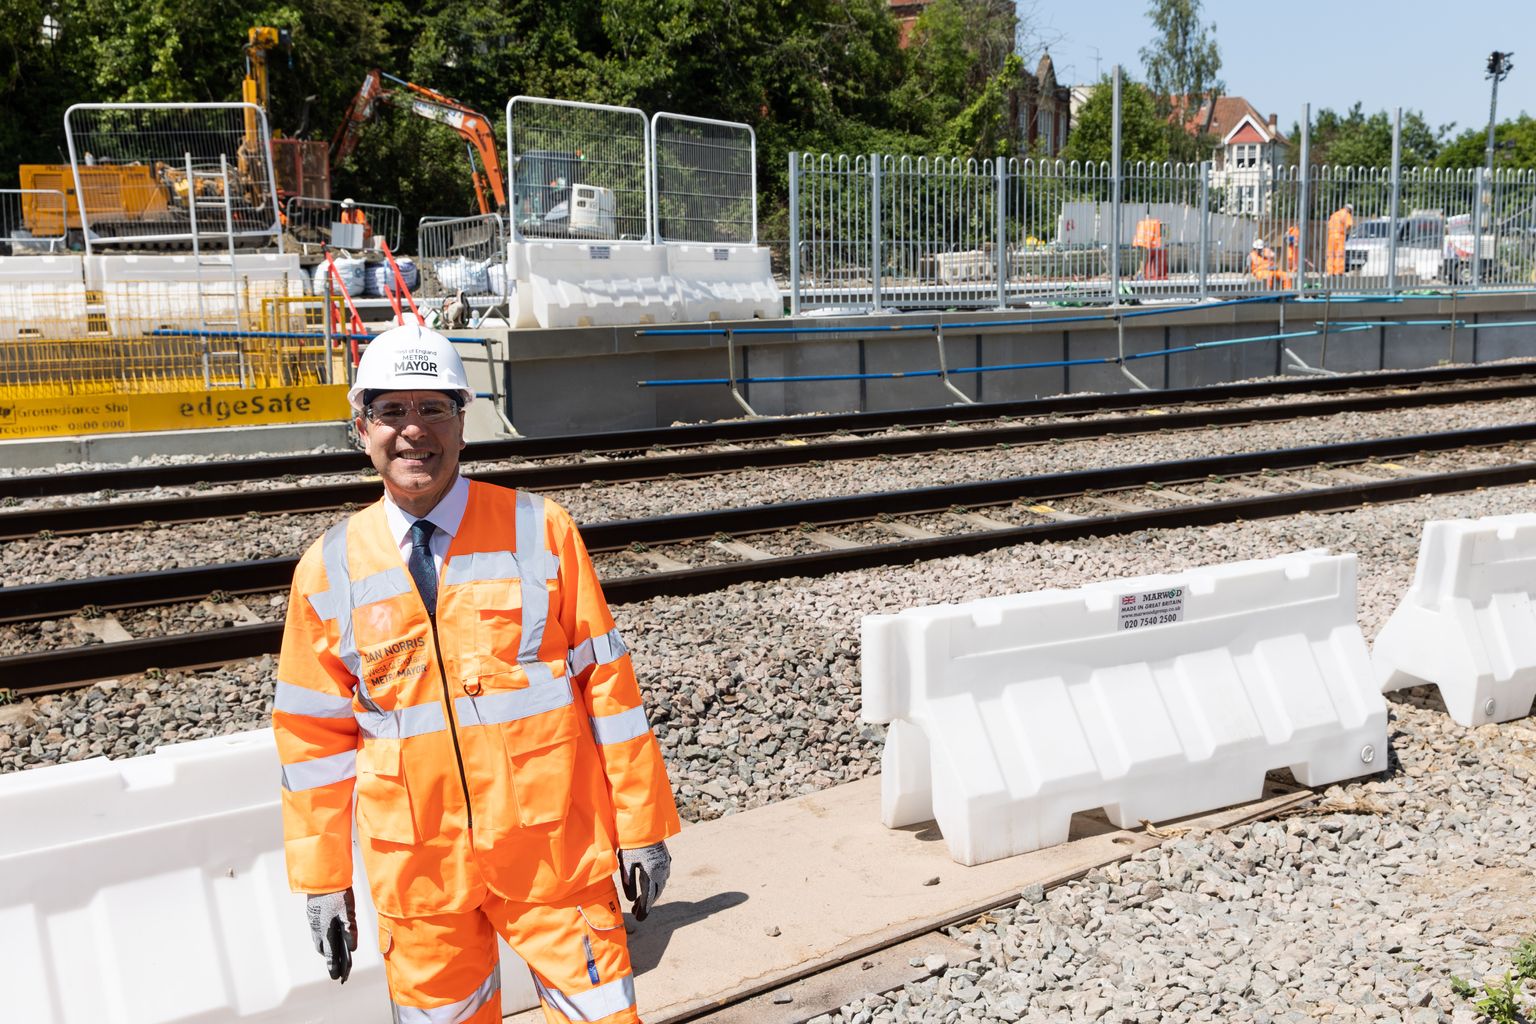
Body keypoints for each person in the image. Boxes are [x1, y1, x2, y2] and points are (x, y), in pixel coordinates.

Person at [273, 324, 680, 1024]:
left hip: (555, 855)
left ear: (464, 423)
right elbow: (312, 743)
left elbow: (609, 690)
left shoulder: (541, 530)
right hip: (421, 874)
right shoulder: (327, 568)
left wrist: (642, 826)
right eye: (391, 411)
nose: (413, 431)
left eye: (433, 409)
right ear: (361, 427)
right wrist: (323, 881)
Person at [1132, 215, 1167, 281]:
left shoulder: (1143, 224)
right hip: (1145, 242)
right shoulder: (1145, 224)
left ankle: (1141, 273)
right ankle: (1140, 273)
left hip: (1145, 242)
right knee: (1144, 257)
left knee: (1144, 257)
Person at [1326, 202, 1354, 275]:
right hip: (1339, 235)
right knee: (1339, 253)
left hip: (1331, 236)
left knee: (1331, 253)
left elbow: (1329, 225)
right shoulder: (1347, 214)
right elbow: (1349, 225)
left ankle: (1330, 271)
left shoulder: (1334, 214)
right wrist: (1346, 232)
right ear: (1349, 210)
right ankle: (1338, 271)